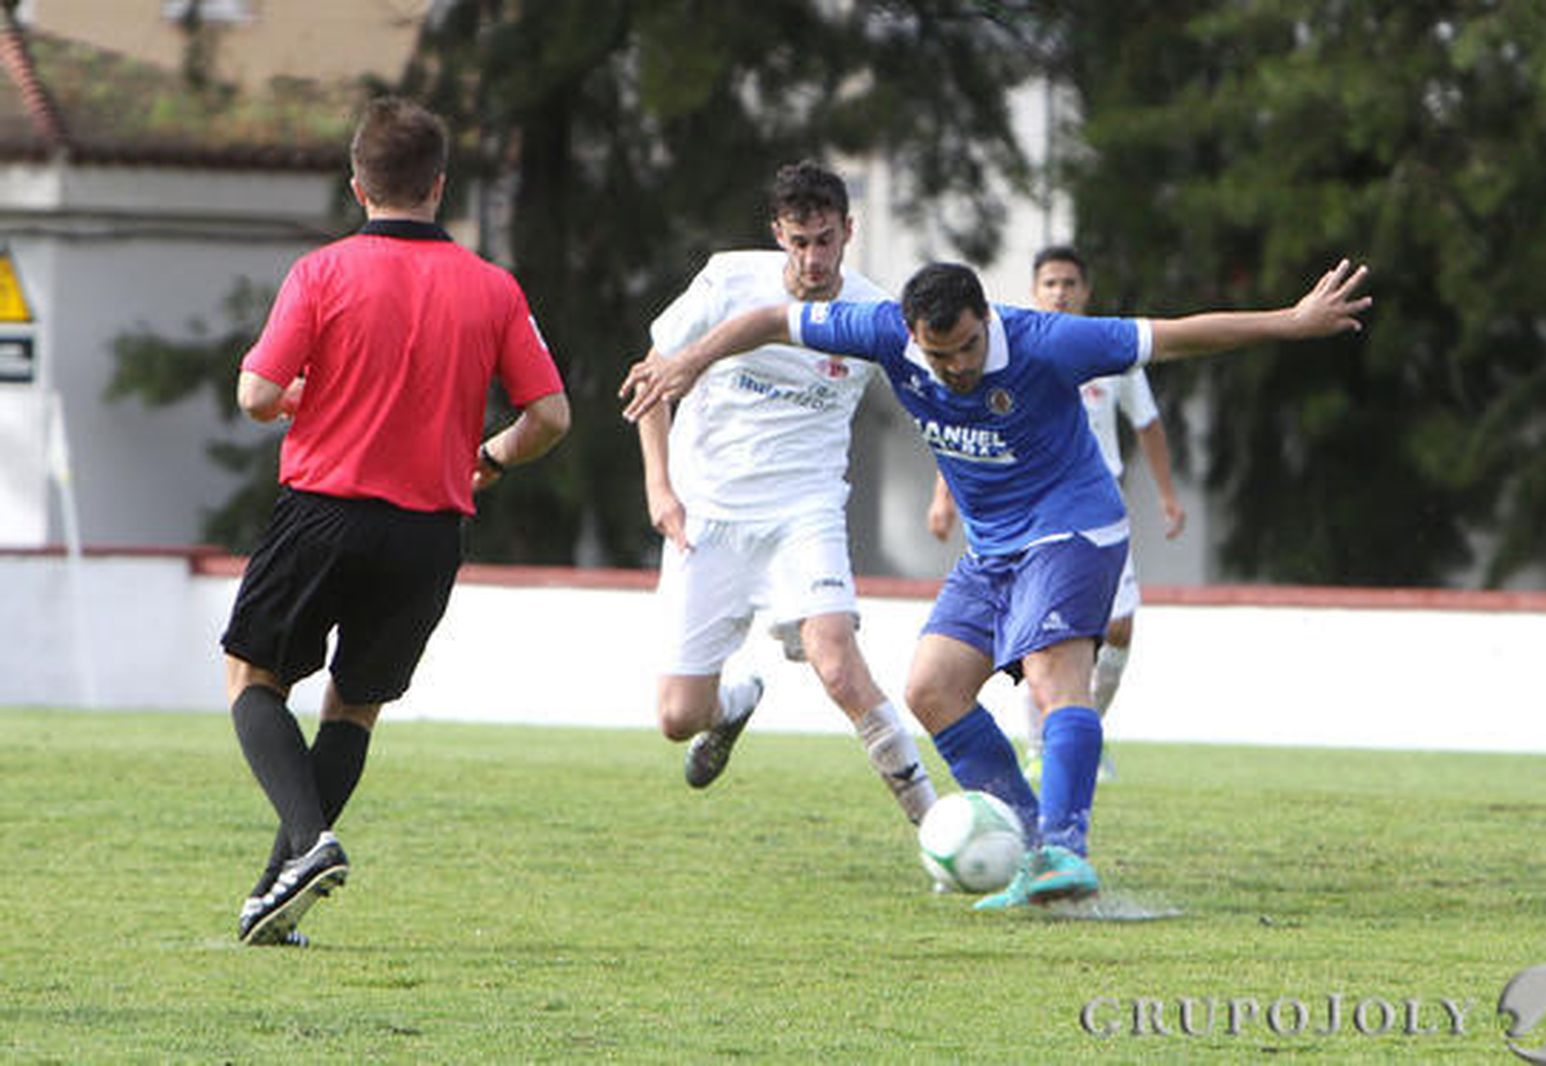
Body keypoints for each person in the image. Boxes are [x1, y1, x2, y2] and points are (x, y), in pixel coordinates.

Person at [621, 257, 1369, 910]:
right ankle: (1029, 838)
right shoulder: (883, 330)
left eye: (969, 346)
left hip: (1074, 528)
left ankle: (1066, 847)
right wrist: (689, 362)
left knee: (1052, 677)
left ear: (988, 317)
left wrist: (1291, 322)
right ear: (911, 335)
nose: (957, 368)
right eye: (939, 355)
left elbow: (1173, 335)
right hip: (994, 549)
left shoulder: (1051, 341)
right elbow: (771, 318)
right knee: (932, 689)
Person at [224, 97, 570, 947]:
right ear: (439, 186)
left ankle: (309, 845)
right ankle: (274, 896)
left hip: (324, 512)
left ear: (358, 184)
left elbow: (257, 394)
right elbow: (551, 415)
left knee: (252, 678)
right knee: (353, 709)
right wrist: (485, 459)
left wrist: (305, 397)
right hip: (427, 534)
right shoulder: (492, 286)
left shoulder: (324, 272)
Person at [635, 161, 936, 825]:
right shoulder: (727, 280)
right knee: (678, 717)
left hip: (805, 512)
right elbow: (650, 380)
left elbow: (937, 397)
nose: (813, 257)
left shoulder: (873, 313)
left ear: (848, 231)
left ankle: (933, 820)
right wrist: (660, 487)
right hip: (707, 516)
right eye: (799, 242)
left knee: (838, 665)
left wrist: (949, 481)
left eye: (825, 239)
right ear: (778, 234)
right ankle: (735, 704)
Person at [926, 245, 1186, 783]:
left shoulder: (1101, 351)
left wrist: (1166, 494)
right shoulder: (1000, 353)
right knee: (1038, 640)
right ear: (1034, 289)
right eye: (1050, 283)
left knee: (1117, 628)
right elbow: (958, 430)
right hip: (1023, 514)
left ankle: (1082, 727)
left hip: (1093, 514)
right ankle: (1046, 745)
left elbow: (1149, 425)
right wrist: (942, 498)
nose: (1060, 292)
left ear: (1085, 291)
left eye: (1070, 283)